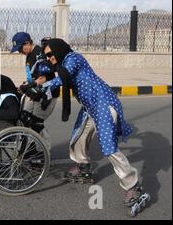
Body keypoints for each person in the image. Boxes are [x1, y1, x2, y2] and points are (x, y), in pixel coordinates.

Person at [28, 38, 149, 215]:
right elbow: (47, 70)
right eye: (47, 55)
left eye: (50, 54)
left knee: (109, 148)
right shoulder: (60, 64)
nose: (49, 57)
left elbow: (63, 77)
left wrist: (42, 87)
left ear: (58, 49)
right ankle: (83, 167)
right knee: (78, 137)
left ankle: (134, 186)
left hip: (104, 104)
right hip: (91, 108)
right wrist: (32, 83)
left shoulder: (72, 58)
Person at [11, 32, 58, 149]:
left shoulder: (39, 54)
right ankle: (29, 149)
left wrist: (30, 85)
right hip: (35, 94)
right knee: (24, 119)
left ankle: (44, 152)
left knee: (36, 123)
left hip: (47, 94)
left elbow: (46, 76)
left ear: (27, 43)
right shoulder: (29, 56)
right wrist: (24, 86)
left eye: (20, 48)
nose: (19, 52)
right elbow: (32, 76)